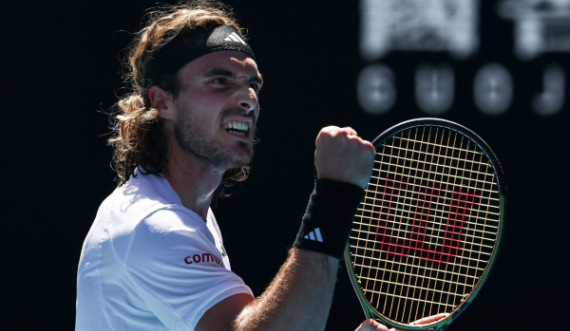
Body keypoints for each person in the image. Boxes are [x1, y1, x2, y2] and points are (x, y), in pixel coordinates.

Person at [76, 1, 433, 330]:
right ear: (162, 101)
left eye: (252, 85)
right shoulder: (152, 225)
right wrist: (334, 197)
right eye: (219, 81)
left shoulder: (186, 214)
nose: (247, 99)